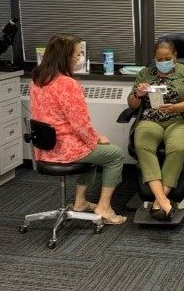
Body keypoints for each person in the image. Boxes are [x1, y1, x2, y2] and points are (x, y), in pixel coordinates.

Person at [30, 33, 126, 225]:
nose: (78, 59)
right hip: (65, 150)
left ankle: (80, 202)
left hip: (44, 150)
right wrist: (97, 139)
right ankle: (104, 207)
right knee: (114, 154)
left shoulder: (37, 79)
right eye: (77, 55)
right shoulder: (68, 84)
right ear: (65, 57)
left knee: (93, 149)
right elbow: (80, 124)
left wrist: (92, 140)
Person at [128, 38, 184, 220]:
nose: (163, 63)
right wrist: (139, 93)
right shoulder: (145, 73)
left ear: (175, 56)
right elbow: (132, 104)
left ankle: (157, 202)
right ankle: (163, 201)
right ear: (154, 58)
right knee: (142, 145)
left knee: (177, 148)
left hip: (180, 118)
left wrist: (176, 107)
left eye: (167, 58)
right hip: (151, 119)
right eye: (159, 60)